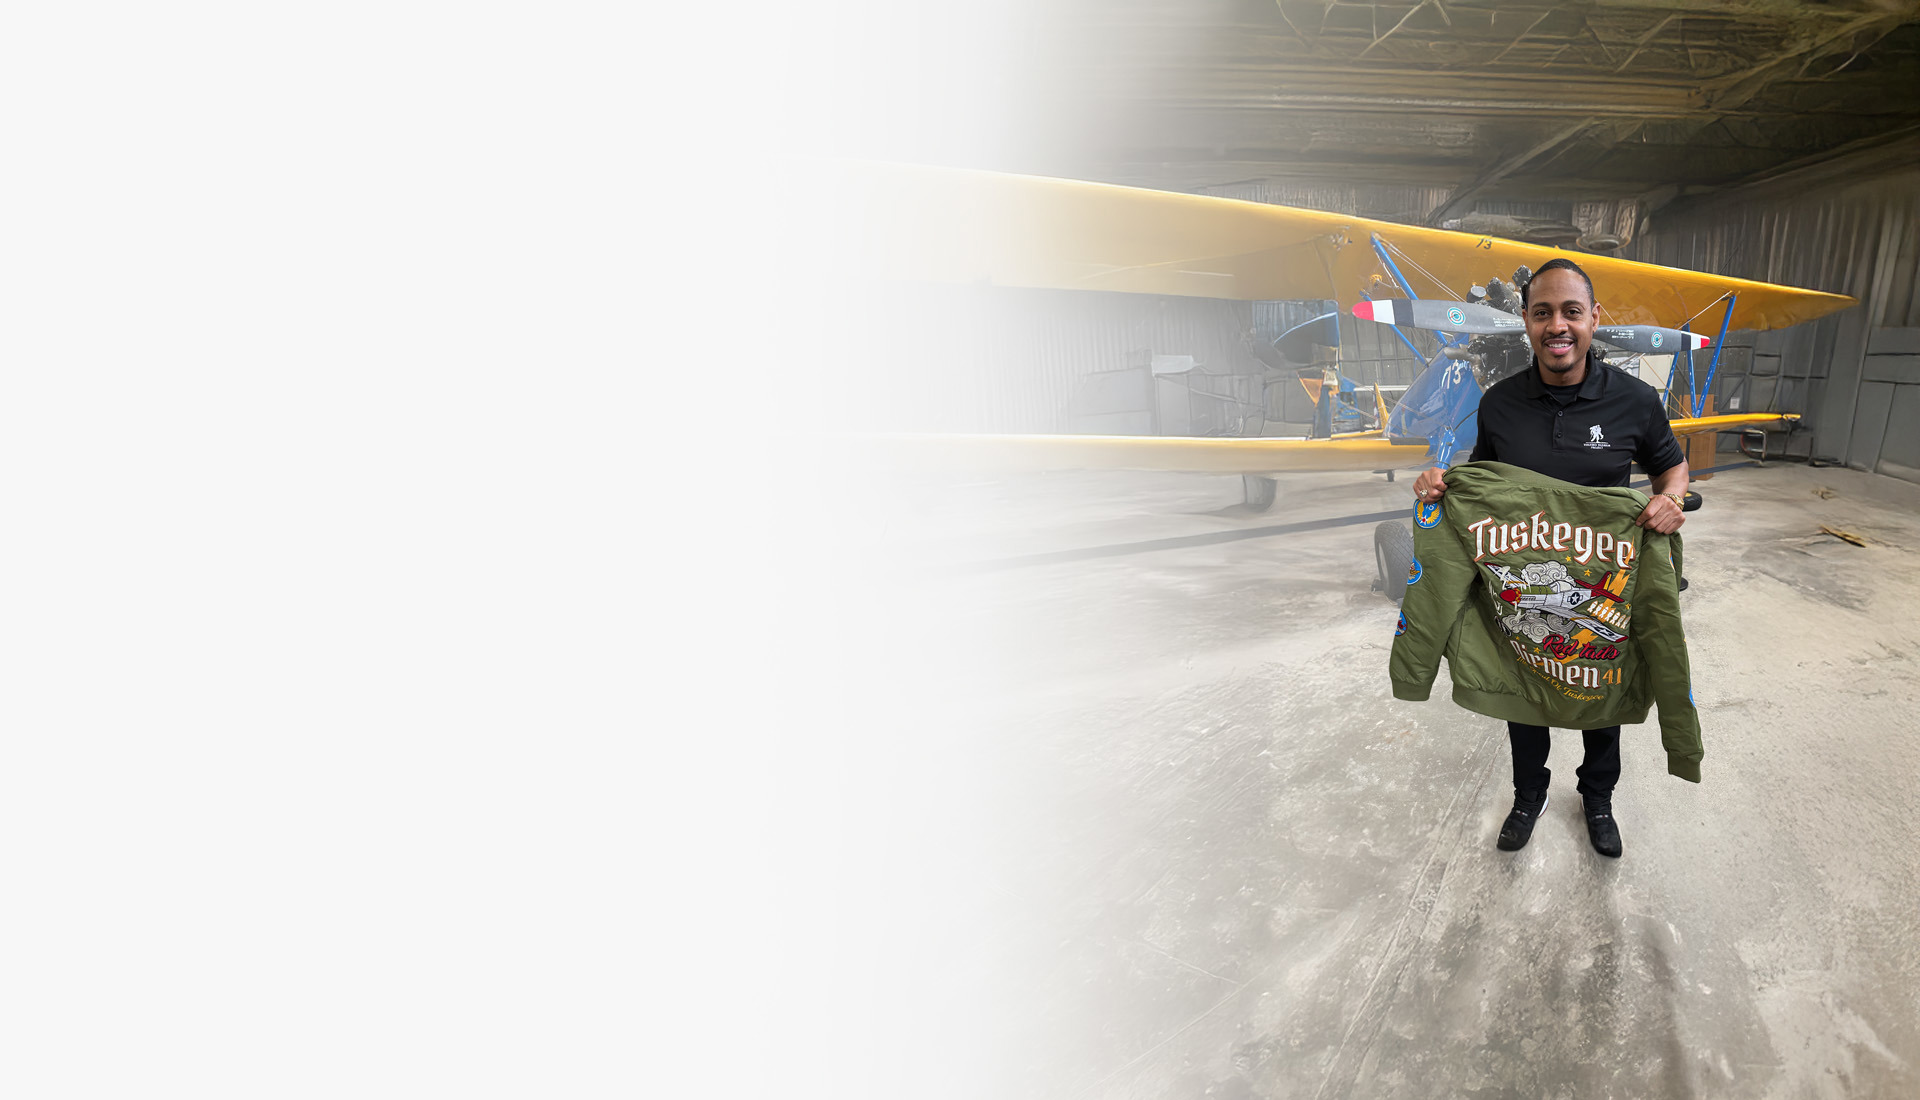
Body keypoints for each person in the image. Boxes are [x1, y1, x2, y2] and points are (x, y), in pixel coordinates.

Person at [1410, 257, 1689, 859]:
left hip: (1601, 588)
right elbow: (1481, 481)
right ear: (1527, 323)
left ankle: (1597, 798)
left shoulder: (1635, 402)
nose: (1557, 326)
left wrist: (1668, 499)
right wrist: (1441, 484)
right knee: (1523, 693)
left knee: (1601, 693)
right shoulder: (1501, 403)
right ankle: (1528, 794)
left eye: (1570, 312)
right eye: (1542, 313)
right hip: (1522, 590)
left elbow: (1673, 464)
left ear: (1593, 319)